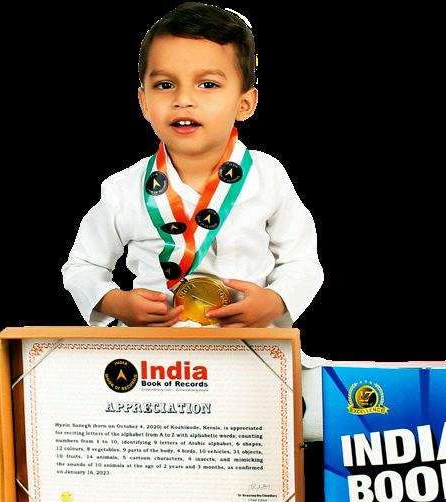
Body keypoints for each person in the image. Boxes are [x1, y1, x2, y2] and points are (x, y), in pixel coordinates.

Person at [61, 2, 324, 328]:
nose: (183, 100)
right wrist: (116, 303)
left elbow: (302, 261)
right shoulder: (123, 189)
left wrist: (275, 301)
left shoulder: (268, 176)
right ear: (144, 103)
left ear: (245, 103)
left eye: (208, 84)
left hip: (250, 344)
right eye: (165, 85)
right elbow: (81, 266)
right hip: (154, 350)